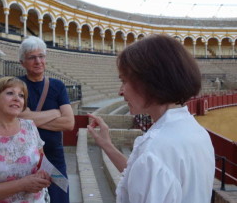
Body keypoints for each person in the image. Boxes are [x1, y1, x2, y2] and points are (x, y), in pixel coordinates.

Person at [87, 34, 215, 203]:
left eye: (124, 81)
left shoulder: (155, 150)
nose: (120, 91)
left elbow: (150, 170)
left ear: (149, 81)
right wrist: (107, 146)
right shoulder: (196, 132)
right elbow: (142, 177)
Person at [0, 76, 51, 203]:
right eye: (10, 93)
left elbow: (43, 162)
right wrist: (22, 185)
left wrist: (42, 175)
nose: (17, 98)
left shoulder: (30, 126)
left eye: (21, 95)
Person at [18, 36, 75, 203]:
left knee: (60, 197)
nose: (38, 61)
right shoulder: (16, 85)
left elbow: (69, 123)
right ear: (22, 62)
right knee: (30, 198)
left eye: (41, 56)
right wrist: (56, 112)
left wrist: (30, 118)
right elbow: (19, 117)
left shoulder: (58, 86)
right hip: (26, 156)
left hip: (54, 157)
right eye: (32, 57)